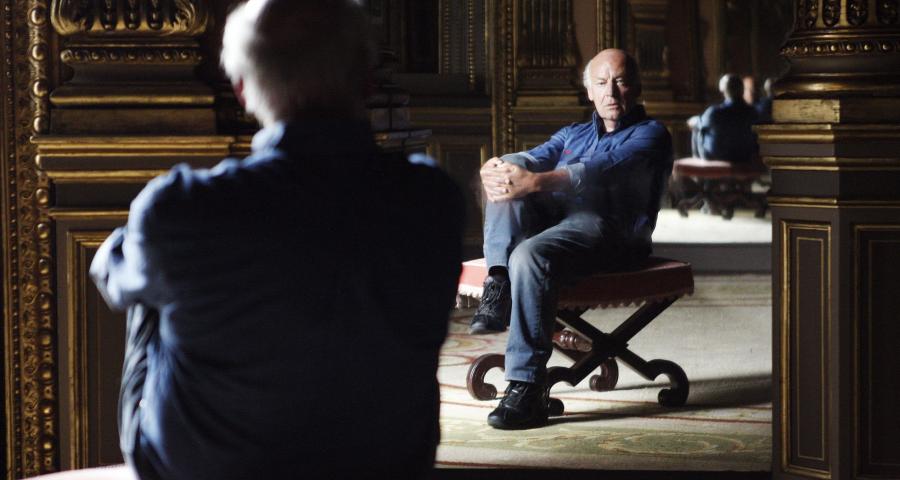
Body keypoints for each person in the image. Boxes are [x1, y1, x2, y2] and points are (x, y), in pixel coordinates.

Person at [35, 1, 465, 479]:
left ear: (242, 89)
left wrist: (132, 242)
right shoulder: (432, 198)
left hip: (212, 469)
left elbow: (113, 281)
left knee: (151, 279)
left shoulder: (185, 205)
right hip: (386, 463)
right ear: (367, 80)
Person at [468, 49, 672, 430]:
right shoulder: (572, 134)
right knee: (512, 168)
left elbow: (601, 170)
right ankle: (499, 282)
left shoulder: (652, 134)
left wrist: (536, 182)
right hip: (564, 226)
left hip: (615, 232)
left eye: (621, 81)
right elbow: (529, 160)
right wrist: (495, 170)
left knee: (529, 254)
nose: (611, 92)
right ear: (589, 92)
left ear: (637, 87)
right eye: (601, 83)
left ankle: (527, 389)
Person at [694, 74, 759, 163]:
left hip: (718, 157)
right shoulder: (753, 112)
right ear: (742, 90)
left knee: (698, 127)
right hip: (745, 156)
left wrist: (696, 121)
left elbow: (700, 124)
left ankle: (697, 163)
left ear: (723, 90)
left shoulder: (715, 112)